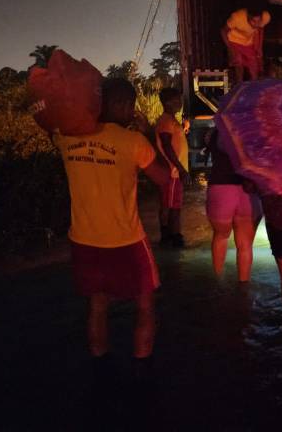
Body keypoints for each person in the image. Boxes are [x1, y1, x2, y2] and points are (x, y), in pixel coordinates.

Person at [53, 78, 168, 378]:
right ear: (121, 105)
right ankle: (143, 370)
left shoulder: (68, 137)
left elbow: (47, 119)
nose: (132, 111)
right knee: (144, 304)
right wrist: (150, 132)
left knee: (98, 305)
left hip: (84, 241)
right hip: (126, 241)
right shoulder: (132, 142)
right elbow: (164, 179)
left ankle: (99, 368)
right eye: (131, 105)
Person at [204, 126, 262, 281]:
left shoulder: (217, 132)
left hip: (221, 190)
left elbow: (211, 148)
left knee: (221, 236)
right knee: (245, 245)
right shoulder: (255, 133)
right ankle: (243, 287)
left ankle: (218, 281)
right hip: (249, 192)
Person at [155, 88, 191, 248]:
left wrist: (183, 129)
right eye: (177, 100)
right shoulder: (166, 121)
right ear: (167, 102)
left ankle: (173, 235)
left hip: (175, 172)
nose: (180, 103)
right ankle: (169, 237)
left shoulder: (171, 120)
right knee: (170, 206)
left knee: (174, 205)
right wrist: (180, 169)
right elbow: (166, 145)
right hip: (173, 172)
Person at [221, 4, 271, 82]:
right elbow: (223, 31)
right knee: (239, 64)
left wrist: (259, 47)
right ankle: (239, 86)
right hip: (233, 41)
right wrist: (230, 49)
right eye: (254, 21)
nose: (256, 24)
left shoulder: (266, 16)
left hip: (248, 42)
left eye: (259, 21)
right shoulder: (237, 17)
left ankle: (255, 87)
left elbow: (260, 29)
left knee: (254, 67)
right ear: (248, 17)